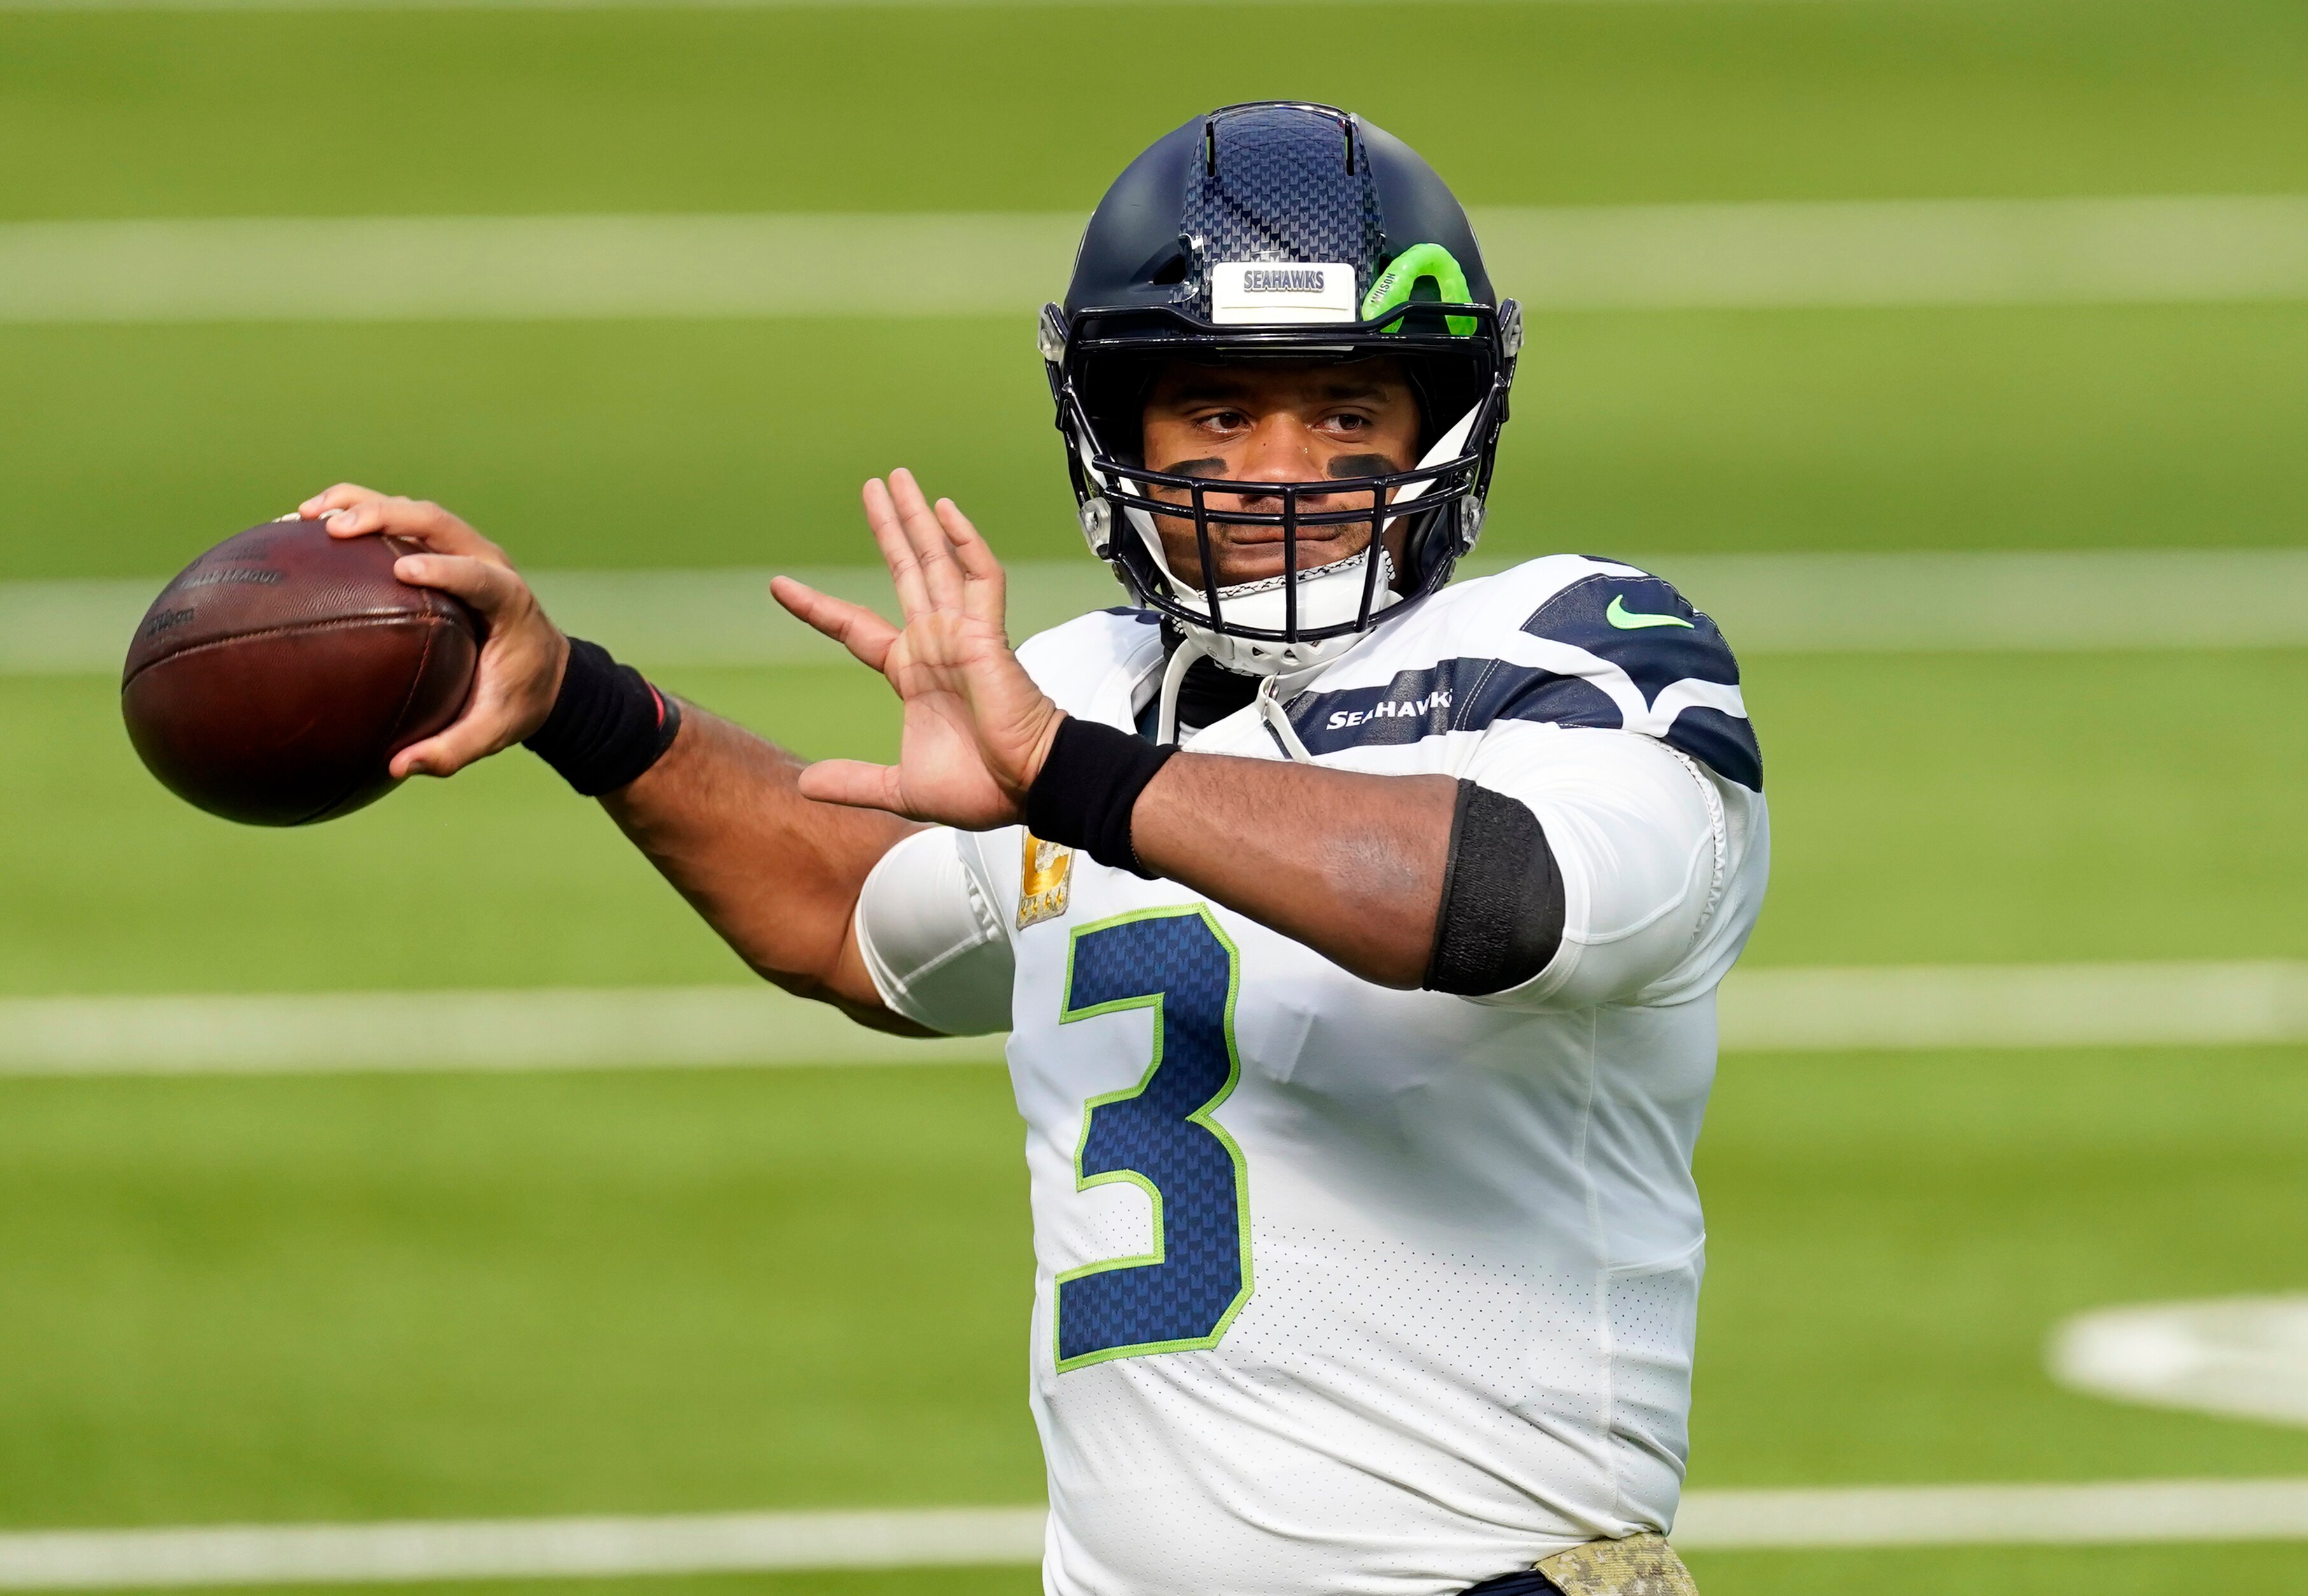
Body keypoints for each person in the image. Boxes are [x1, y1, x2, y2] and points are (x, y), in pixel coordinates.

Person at [299, 101, 1767, 1596]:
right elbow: (853, 922)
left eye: (1344, 412)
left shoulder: (1575, 647)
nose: (1278, 469)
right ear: (1116, 431)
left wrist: (1071, 776)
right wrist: (580, 704)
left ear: (1438, 428)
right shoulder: (1085, 689)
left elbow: (1508, 903)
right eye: (1216, 413)